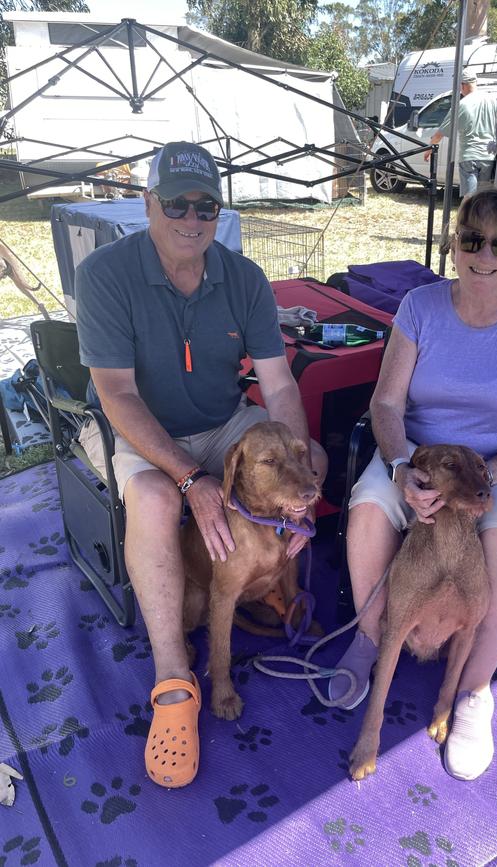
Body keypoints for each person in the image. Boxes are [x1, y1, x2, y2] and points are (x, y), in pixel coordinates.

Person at [75, 141, 327, 788]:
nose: (193, 216)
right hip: (142, 429)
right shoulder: (106, 273)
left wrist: (301, 468)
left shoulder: (242, 276)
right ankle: (172, 680)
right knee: (159, 501)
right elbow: (118, 396)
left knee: (303, 455)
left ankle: (276, 575)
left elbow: (276, 388)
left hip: (223, 420)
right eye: (178, 202)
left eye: (206, 205)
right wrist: (192, 480)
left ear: (219, 210)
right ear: (148, 202)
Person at [328, 187, 497, 781]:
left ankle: (473, 691)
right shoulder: (420, 306)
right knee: (367, 510)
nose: (484, 254)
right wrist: (400, 466)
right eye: (471, 239)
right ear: (452, 242)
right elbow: (386, 402)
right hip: (420, 455)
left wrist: (491, 476)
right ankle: (370, 634)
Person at [425, 70, 497, 198]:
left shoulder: (462, 105)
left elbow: (440, 134)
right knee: (482, 198)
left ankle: (465, 218)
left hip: (469, 156)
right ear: (475, 82)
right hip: (489, 156)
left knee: (469, 197)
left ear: (462, 85)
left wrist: (429, 149)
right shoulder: (493, 100)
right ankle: (480, 218)